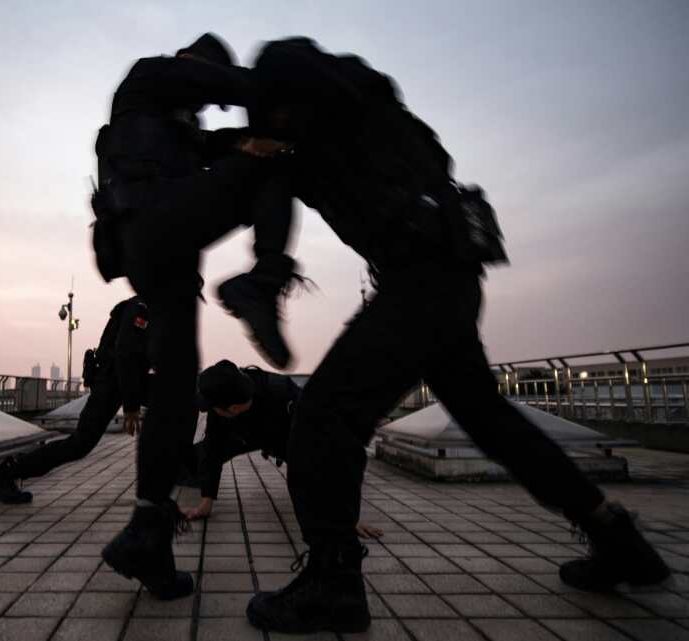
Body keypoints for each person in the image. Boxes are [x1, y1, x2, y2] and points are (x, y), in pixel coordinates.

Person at [243, 38, 670, 634]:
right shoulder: (373, 120)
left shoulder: (338, 127)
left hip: (419, 284)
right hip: (450, 280)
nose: (270, 124)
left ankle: (332, 583)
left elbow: (292, 138)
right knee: (489, 420)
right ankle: (617, 537)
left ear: (292, 97)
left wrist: (258, 146)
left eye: (273, 110)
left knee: (324, 414)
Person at [96, 33, 300, 601]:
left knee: (177, 394)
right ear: (192, 62)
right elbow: (223, 86)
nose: (206, 105)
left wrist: (250, 139)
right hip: (154, 225)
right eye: (205, 93)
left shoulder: (179, 128)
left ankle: (148, 533)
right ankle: (264, 281)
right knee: (274, 168)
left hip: (163, 261)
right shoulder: (151, 75)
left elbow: (219, 142)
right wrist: (292, 96)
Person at [180, 360, 384, 541]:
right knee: (190, 462)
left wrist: (347, 517)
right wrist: (205, 505)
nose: (209, 410)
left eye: (211, 407)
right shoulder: (223, 404)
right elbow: (212, 451)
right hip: (245, 434)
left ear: (232, 408)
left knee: (310, 468)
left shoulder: (286, 396)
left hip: (286, 436)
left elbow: (327, 453)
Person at [0, 297, 149, 504]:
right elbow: (126, 356)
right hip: (111, 383)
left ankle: (179, 468)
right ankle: (6, 473)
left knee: (176, 399)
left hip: (125, 381)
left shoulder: (154, 307)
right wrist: (131, 407)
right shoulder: (142, 307)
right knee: (79, 444)